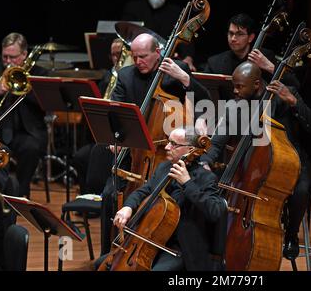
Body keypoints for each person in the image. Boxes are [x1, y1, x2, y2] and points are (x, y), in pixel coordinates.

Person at [99, 33, 211, 255]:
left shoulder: (174, 70)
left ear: (157, 53)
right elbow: (117, 115)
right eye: (134, 56)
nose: (138, 61)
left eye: (143, 56)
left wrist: (185, 78)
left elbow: (203, 101)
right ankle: (108, 255)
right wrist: (118, 139)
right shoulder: (125, 76)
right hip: (137, 156)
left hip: (168, 155)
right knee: (109, 195)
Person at [200, 61, 311, 260]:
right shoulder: (235, 106)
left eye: (239, 86)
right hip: (251, 163)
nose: (235, 91)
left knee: (301, 190)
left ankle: (291, 235)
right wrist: (205, 161)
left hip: (289, 161)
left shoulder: (284, 95)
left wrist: (293, 101)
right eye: (234, 86)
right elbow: (218, 141)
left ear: (257, 84)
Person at [98, 127, 227, 271]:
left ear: (190, 149)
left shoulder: (205, 178)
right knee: (102, 264)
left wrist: (187, 183)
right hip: (151, 240)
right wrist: (128, 207)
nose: (167, 147)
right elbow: (143, 191)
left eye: (173, 144)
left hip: (181, 249)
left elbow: (216, 211)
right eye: (168, 142)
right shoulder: (163, 168)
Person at [0, 32, 48, 198]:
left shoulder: (40, 73)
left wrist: (27, 87)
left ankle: (20, 195)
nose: (8, 62)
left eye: (13, 57)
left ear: (24, 54)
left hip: (28, 132)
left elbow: (46, 104)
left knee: (31, 149)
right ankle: (3, 195)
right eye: (5, 57)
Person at [202, 13, 299, 99]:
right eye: (231, 33)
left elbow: (294, 84)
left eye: (239, 34)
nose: (233, 38)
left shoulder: (265, 56)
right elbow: (203, 92)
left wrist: (269, 66)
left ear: (251, 38)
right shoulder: (215, 62)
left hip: (260, 112)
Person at [72, 38, 124, 196]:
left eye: (120, 54)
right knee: (80, 157)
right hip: (104, 135)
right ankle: (88, 198)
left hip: (120, 138)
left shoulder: (129, 77)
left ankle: (101, 200)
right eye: (113, 55)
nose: (116, 59)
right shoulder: (107, 77)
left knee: (97, 155)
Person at [122, 0, 196, 71]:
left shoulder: (177, 12)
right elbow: (125, 34)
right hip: (136, 60)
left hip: (165, 62)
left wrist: (188, 57)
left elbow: (185, 38)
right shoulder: (133, 7)